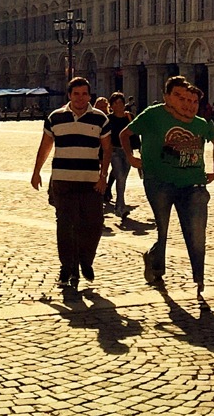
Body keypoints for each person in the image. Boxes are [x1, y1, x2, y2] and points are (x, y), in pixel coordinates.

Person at [131, 76, 214, 299]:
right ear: (168, 98)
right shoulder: (154, 114)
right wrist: (131, 157)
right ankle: (156, 263)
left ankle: (199, 277)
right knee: (163, 229)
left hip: (193, 184)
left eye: (193, 101)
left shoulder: (201, 123)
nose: (188, 104)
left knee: (196, 231)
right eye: (182, 99)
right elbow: (127, 133)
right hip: (159, 182)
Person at [30, 78, 109, 289]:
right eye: (76, 94)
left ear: (89, 96)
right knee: (66, 225)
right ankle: (67, 267)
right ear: (69, 95)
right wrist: (36, 171)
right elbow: (45, 145)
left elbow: (107, 149)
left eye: (84, 94)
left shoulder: (100, 118)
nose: (80, 98)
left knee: (94, 223)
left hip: (91, 181)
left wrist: (103, 176)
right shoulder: (55, 118)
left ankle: (86, 260)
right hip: (63, 180)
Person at [98, 92, 136, 215]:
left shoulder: (129, 116)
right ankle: (120, 207)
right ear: (111, 105)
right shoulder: (108, 119)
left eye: (120, 102)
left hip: (127, 151)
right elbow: (104, 138)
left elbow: (135, 133)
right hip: (114, 151)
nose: (118, 105)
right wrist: (101, 155)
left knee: (123, 178)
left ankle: (118, 204)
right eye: (115, 103)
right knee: (120, 177)